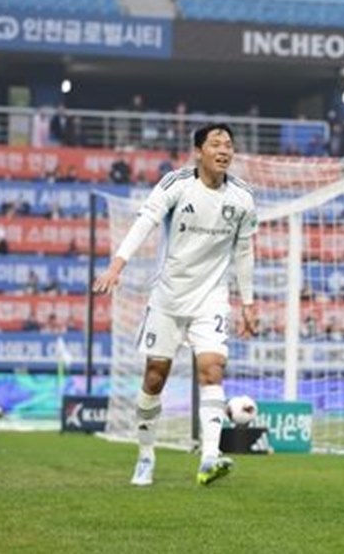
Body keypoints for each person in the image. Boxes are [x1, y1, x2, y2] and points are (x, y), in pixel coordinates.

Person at [92, 124, 259, 487]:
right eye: (215, 144)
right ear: (198, 151)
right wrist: (118, 264)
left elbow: (244, 252)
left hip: (211, 299)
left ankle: (209, 458)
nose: (224, 150)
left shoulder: (243, 197)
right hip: (167, 298)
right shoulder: (176, 184)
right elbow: (145, 222)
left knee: (212, 370)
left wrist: (248, 302)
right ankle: (145, 456)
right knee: (155, 377)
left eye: (229, 145)